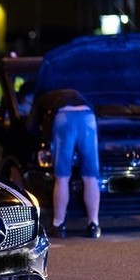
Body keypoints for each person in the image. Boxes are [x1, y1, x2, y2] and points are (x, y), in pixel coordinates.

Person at [27, 88, 100, 239]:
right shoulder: (77, 94)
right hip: (88, 116)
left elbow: (30, 126)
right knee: (90, 176)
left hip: (65, 117)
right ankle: (94, 224)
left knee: (62, 177)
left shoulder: (43, 98)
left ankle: (59, 224)